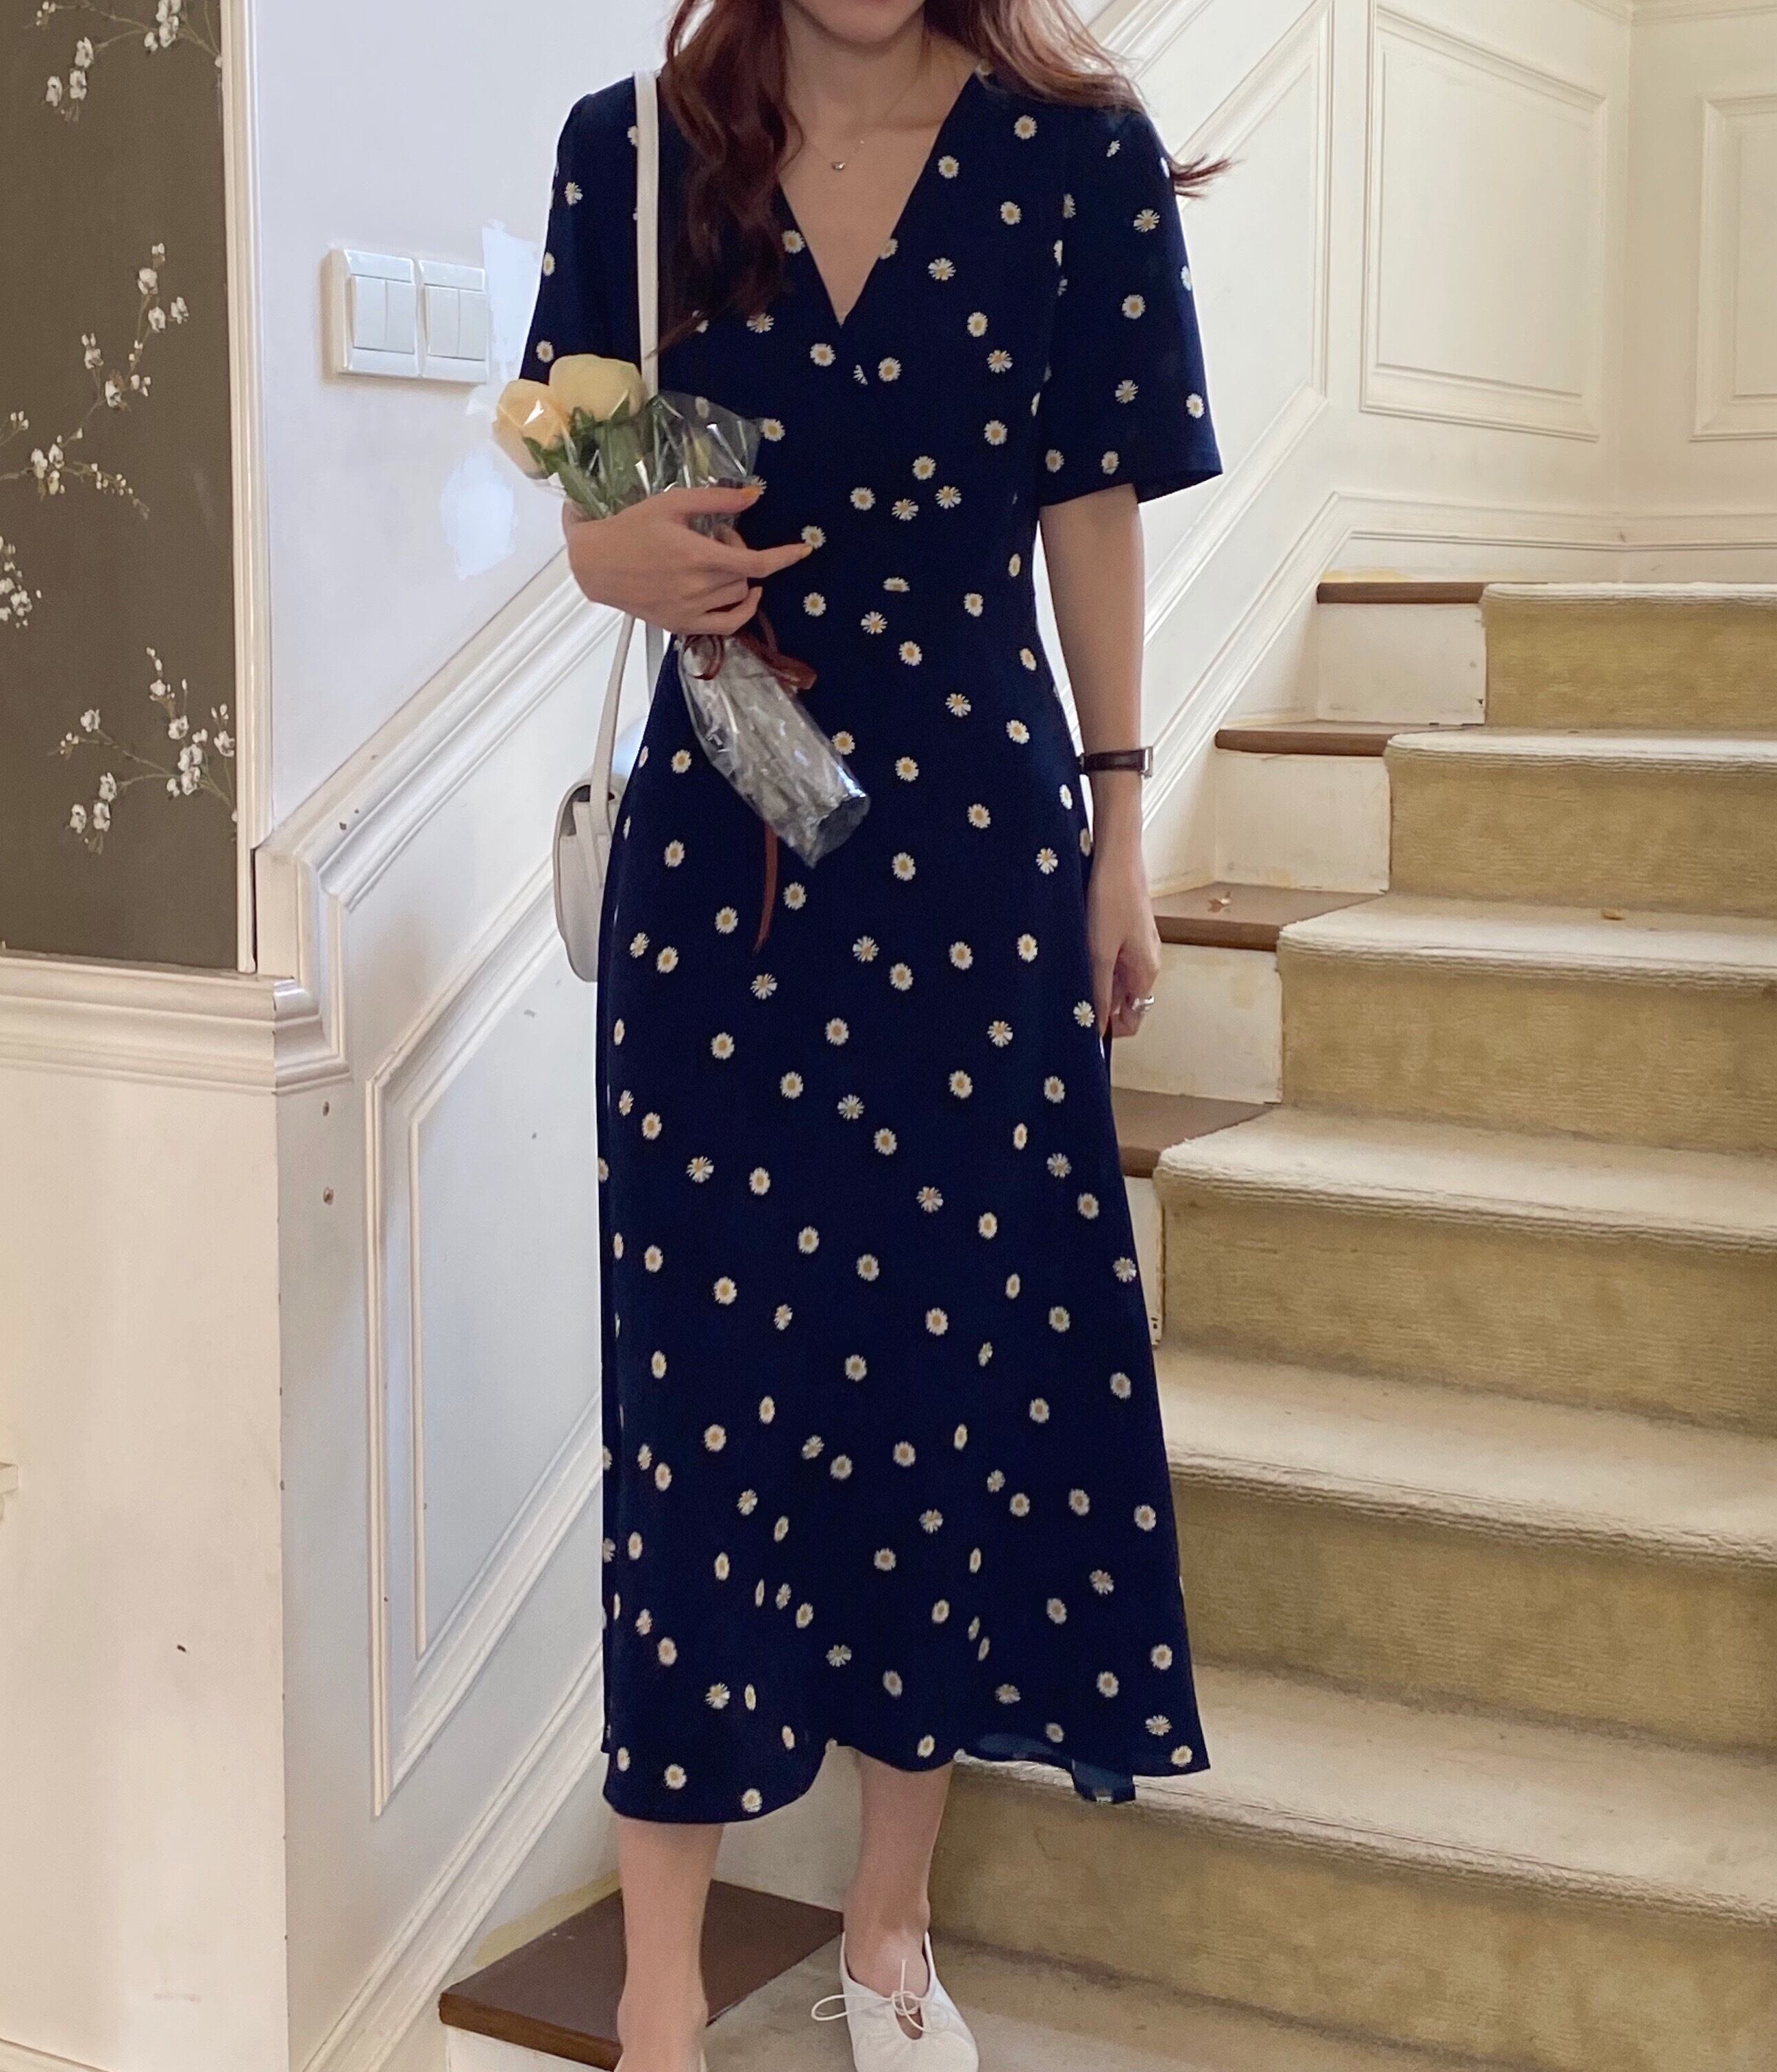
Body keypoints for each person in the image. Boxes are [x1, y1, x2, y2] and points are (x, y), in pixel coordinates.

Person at [519, 3, 1223, 2064]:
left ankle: (889, 1929)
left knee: (943, 1377)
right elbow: (585, 483)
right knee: (693, 1394)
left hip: (979, 853)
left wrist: (1121, 823)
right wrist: (605, 555)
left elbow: (1093, 502)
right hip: (725, 851)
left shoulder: (1076, 158)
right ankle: (662, 1985)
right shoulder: (632, 154)